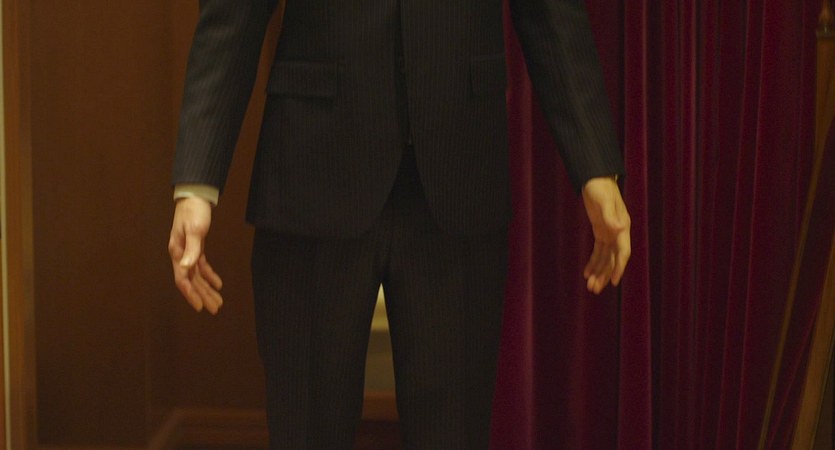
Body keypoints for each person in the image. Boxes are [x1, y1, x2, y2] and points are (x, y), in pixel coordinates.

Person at [167, 1, 631, 448]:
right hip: (314, 170)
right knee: (305, 433)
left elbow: (551, 13)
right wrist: (197, 184)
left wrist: (594, 167)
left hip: (460, 171)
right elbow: (232, 14)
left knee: (455, 436)